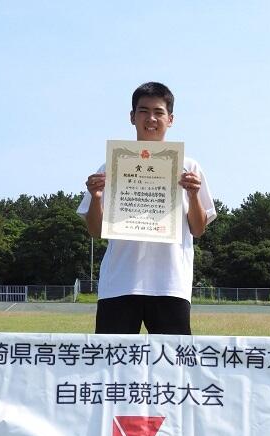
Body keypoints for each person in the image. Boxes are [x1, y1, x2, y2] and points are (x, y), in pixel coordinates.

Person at [77, 82, 216, 335]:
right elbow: (95, 231)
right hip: (119, 282)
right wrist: (96, 197)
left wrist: (194, 195)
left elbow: (198, 229)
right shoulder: (111, 166)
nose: (151, 118)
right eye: (143, 111)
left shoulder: (188, 167)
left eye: (158, 112)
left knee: (171, 358)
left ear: (170, 119)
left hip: (170, 282)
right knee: (112, 357)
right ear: (132, 117)